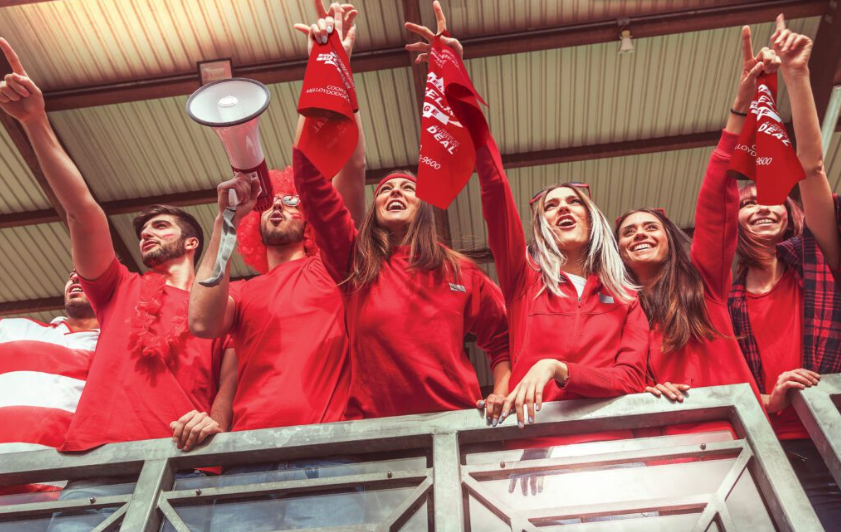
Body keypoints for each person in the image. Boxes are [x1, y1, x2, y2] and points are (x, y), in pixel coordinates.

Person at [0, 37, 234, 532]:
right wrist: (35, 123)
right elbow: (83, 212)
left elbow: (237, 369)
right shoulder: (119, 289)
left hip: (191, 467)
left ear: (192, 244)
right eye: (144, 229)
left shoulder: (224, 302)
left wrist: (219, 419)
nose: (147, 232)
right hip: (96, 466)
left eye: (162, 227)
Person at [183, 2, 367, 530]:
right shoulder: (245, 293)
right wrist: (222, 220)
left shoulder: (334, 265)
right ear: (253, 227)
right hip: (247, 462)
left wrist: (334, 66)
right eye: (273, 205)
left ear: (311, 218)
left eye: (293, 202)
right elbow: (201, 321)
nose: (282, 206)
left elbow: (348, 165)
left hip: (331, 457)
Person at [292, 3, 511, 424]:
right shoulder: (353, 263)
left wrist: (501, 393)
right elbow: (309, 175)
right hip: (373, 440)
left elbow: (502, 339)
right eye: (385, 189)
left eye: (408, 188)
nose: (395, 191)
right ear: (371, 212)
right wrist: (329, 67)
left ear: (424, 208)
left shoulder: (460, 272)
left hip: (453, 430)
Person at [614, 28, 774, 437]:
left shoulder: (704, 283)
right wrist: (647, 389)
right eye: (628, 232)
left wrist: (739, 111)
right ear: (618, 251)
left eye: (651, 227)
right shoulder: (617, 311)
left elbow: (716, 204)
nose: (640, 234)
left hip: (743, 440)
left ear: (670, 239)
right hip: (668, 457)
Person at [728, 16, 841, 527]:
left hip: (835, 433)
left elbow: (813, 170)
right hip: (768, 452)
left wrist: (797, 75)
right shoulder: (724, 298)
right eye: (749, 202)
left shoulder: (816, 262)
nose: (764, 206)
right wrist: (768, 399)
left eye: (773, 198)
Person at [0, 270, 98, 506]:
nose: (75, 278)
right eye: (73, 275)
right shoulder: (10, 328)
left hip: (57, 498)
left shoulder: (119, 350)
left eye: (88, 274)